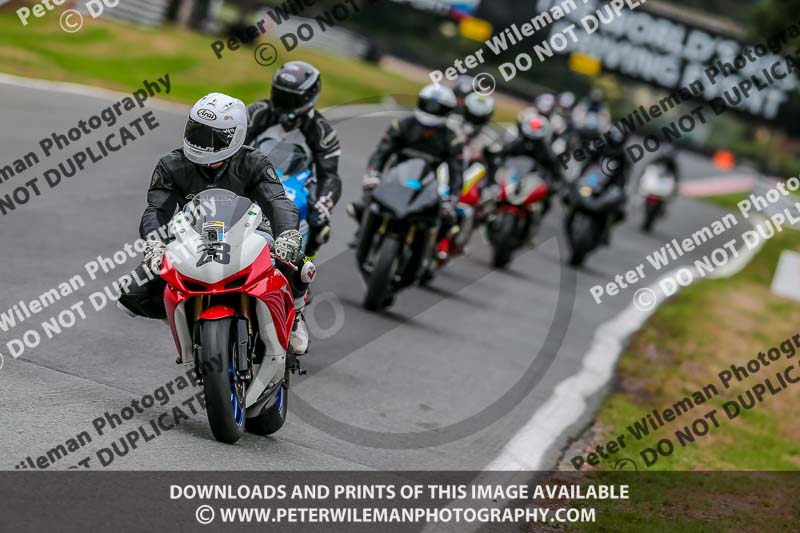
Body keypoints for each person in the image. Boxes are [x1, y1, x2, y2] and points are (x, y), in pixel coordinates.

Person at [117, 92, 313, 355]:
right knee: (131, 294)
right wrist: (155, 243)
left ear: (236, 135)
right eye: (196, 131)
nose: (201, 142)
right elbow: (156, 210)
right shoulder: (170, 165)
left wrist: (287, 233)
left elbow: (278, 200)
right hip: (192, 236)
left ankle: (296, 312)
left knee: (300, 265)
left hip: (251, 232)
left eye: (213, 136)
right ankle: (185, 317)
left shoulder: (254, 162)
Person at [245, 61, 342, 260]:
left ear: (308, 98)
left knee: (320, 219)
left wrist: (325, 201)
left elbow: (329, 175)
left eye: (291, 98)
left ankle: (304, 267)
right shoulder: (257, 112)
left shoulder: (323, 131)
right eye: (280, 95)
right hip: (252, 171)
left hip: (295, 181)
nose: (283, 103)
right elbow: (232, 143)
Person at [351, 84, 465, 239]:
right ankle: (362, 234)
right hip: (394, 178)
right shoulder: (401, 126)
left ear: (448, 111)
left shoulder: (452, 139)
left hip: (428, 186)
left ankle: (431, 253)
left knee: (448, 220)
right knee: (363, 204)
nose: (432, 110)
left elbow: (456, 172)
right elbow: (381, 152)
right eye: (429, 105)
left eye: (438, 108)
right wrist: (374, 174)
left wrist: (452, 199)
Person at [494, 108, 563, 212]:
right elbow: (502, 155)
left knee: (546, 202)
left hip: (532, 181)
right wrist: (498, 165)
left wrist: (554, 185)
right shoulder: (518, 143)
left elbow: (555, 170)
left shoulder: (546, 150)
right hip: (514, 177)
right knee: (493, 193)